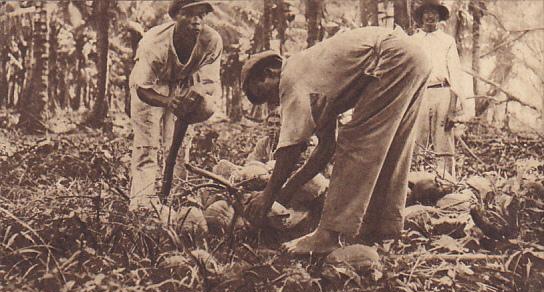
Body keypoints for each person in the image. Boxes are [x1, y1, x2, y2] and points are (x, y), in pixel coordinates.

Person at [240, 27, 431, 254]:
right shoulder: (317, 78)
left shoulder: (291, 77)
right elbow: (325, 149)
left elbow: (291, 150)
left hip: (392, 57)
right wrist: (285, 193)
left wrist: (267, 196)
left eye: (265, 95)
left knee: (355, 141)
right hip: (413, 57)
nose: (274, 103)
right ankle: (384, 228)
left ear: (270, 72)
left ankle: (328, 234)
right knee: (392, 146)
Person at [129, 0, 222, 218]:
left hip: (184, 83)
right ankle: (142, 205)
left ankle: (178, 198)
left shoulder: (211, 41)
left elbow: (210, 81)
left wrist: (197, 91)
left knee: (179, 147)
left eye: (201, 15)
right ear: (174, 16)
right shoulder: (154, 43)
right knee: (147, 147)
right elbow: (142, 88)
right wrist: (167, 101)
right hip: (153, 86)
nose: (196, 21)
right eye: (188, 15)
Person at [411, 0, 474, 179]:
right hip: (420, 94)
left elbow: (455, 73)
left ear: (439, 16)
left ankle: (447, 181)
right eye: (427, 12)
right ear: (421, 16)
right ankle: (415, 181)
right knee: (417, 139)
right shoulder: (413, 41)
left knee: (444, 139)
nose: (430, 16)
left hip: (443, 93)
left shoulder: (447, 41)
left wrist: (453, 108)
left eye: (434, 12)